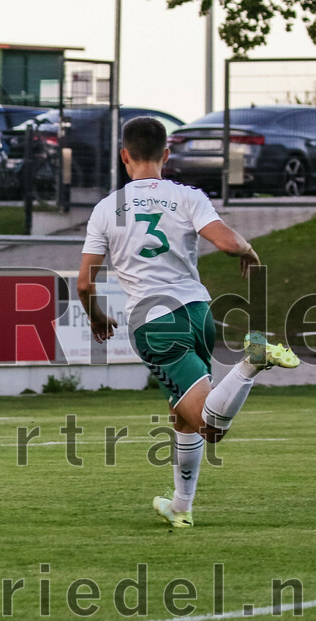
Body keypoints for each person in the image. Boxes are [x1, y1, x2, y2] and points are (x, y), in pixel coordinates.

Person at [76, 117, 299, 530]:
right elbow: (229, 242)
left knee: (210, 427)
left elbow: (85, 283)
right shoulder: (186, 197)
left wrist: (97, 316)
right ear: (166, 154)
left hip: (156, 324)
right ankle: (181, 506)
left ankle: (252, 360)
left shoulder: (107, 209)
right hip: (198, 314)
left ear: (124, 156)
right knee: (181, 416)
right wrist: (248, 250)